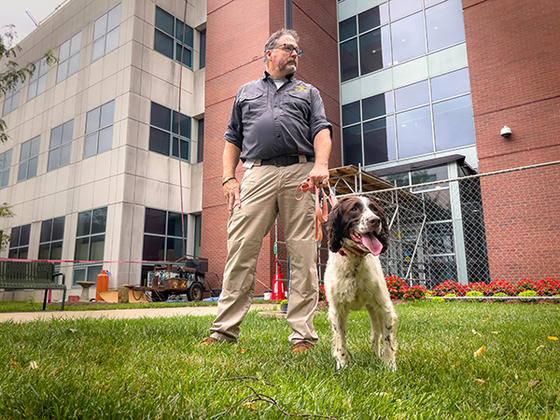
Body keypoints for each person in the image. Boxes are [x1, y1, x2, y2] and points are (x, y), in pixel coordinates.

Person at [200, 28, 332, 353]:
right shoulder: (245, 92)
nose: (295, 54)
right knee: (241, 249)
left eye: (298, 51)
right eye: (289, 48)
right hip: (256, 174)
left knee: (302, 254)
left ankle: (303, 337)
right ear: (269, 53)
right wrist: (228, 179)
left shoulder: (308, 91)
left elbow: (322, 131)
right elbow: (232, 138)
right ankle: (223, 332)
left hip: (300, 173)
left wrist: (321, 165)